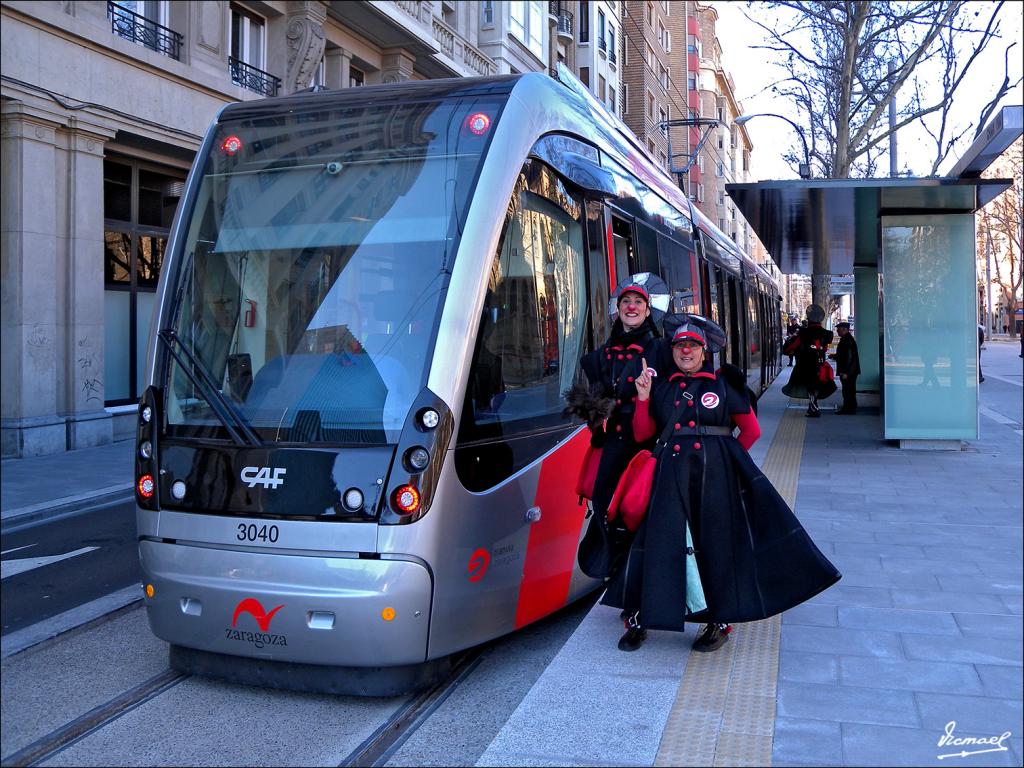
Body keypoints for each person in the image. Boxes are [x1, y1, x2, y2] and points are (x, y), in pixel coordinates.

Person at [602, 313, 840, 652]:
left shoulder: (723, 385)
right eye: (680, 346)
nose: (685, 351)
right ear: (673, 351)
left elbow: (752, 431)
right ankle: (643, 616)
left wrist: (723, 462)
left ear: (704, 352)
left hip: (712, 480)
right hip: (669, 477)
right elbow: (642, 434)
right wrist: (642, 398)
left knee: (714, 546)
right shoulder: (662, 388)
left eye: (692, 346)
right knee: (660, 542)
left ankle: (718, 621)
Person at [569, 275, 668, 582]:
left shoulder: (661, 350)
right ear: (618, 309)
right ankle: (613, 567)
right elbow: (593, 395)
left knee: (640, 507)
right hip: (613, 440)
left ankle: (640, 570)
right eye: (626, 301)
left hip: (647, 440)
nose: (632, 306)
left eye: (638, 302)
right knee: (604, 502)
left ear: (648, 310)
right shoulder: (602, 355)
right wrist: (595, 419)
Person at [782, 304, 836, 417]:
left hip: (804, 366)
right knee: (816, 386)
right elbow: (825, 348)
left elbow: (792, 347)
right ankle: (813, 407)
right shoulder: (828, 334)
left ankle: (813, 409)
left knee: (810, 387)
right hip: (820, 365)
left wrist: (792, 351)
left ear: (809, 318)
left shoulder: (802, 333)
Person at [830, 322, 860, 414]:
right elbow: (844, 355)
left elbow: (848, 357)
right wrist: (835, 356)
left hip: (848, 371)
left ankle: (848, 409)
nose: (837, 331)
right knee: (850, 390)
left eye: (839, 329)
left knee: (847, 391)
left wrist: (845, 372)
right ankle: (851, 408)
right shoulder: (847, 339)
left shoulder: (846, 340)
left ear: (845, 330)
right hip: (851, 370)